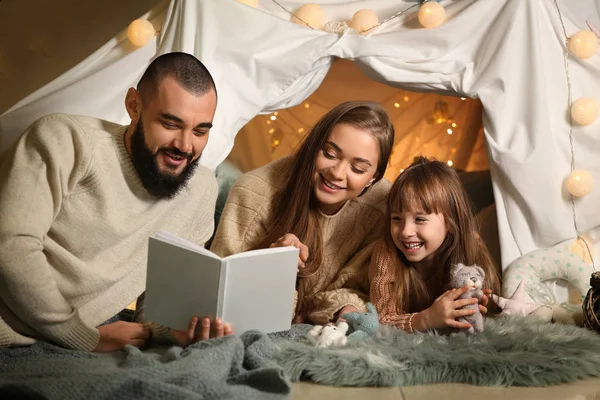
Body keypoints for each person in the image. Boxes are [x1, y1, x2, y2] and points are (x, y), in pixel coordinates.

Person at [0, 52, 231, 352]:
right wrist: (85, 338)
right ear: (134, 105)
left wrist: (173, 330)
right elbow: (11, 247)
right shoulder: (65, 139)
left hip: (69, 339)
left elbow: (157, 301)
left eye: (200, 130)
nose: (185, 146)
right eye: (170, 124)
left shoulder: (201, 189)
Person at [210, 101, 395, 324]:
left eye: (358, 169)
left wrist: (346, 308)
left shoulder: (384, 207)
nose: (337, 173)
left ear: (373, 178)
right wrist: (272, 268)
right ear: (313, 146)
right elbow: (217, 295)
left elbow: (363, 291)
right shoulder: (254, 191)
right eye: (330, 153)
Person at [369, 156, 501, 332]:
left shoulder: (471, 245)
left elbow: (492, 303)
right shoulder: (387, 252)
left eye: (420, 219)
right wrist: (427, 319)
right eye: (397, 218)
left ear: (451, 223)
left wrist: (477, 302)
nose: (405, 231)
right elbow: (382, 319)